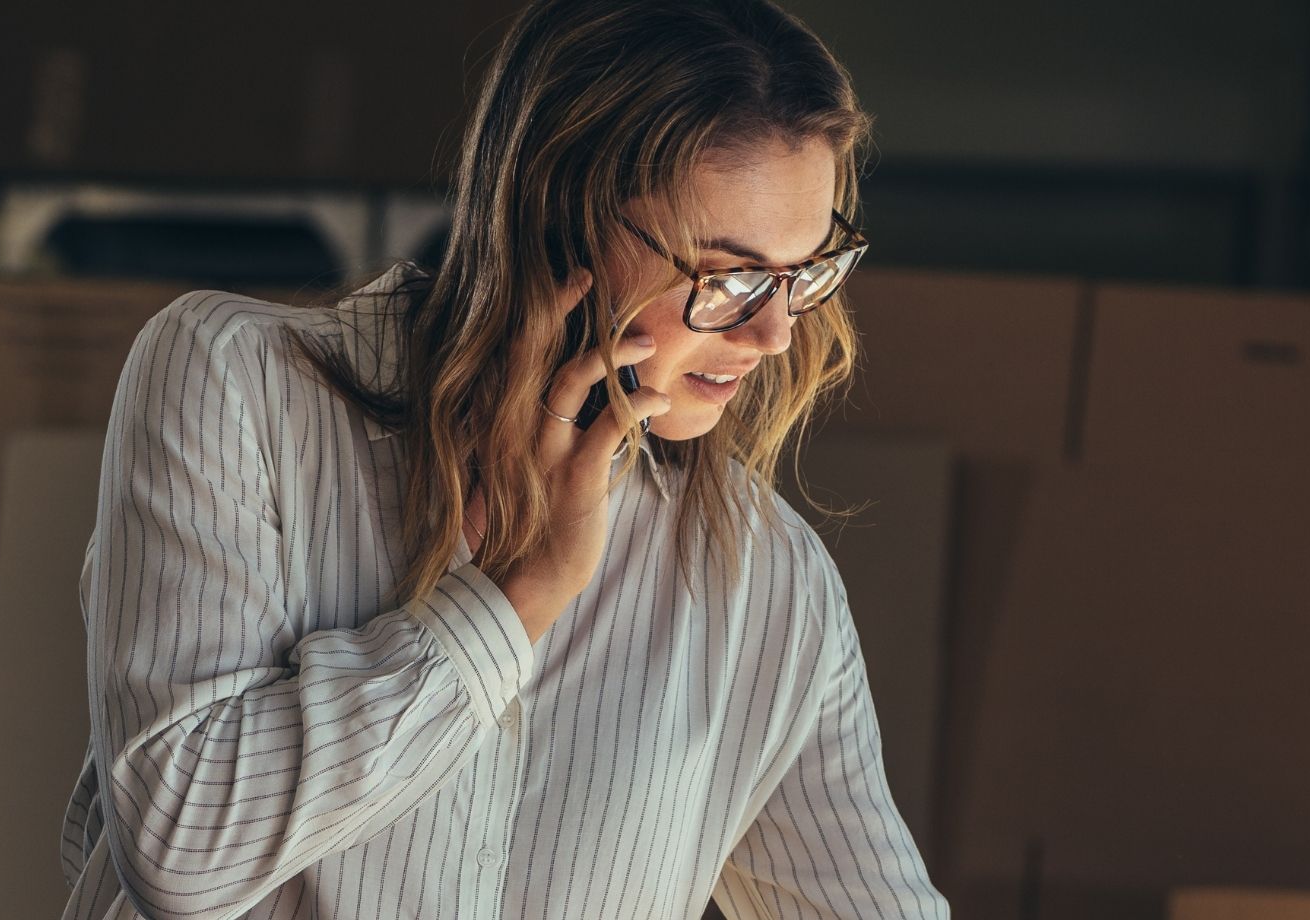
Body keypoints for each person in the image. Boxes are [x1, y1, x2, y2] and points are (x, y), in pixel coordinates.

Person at [56, 0, 940, 916]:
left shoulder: (766, 581)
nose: (774, 333)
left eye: (807, 273)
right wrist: (509, 606)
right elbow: (179, 851)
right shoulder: (233, 382)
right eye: (730, 277)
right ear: (559, 218)